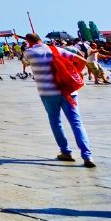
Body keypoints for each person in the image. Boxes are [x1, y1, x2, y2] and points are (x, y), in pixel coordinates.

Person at [22, 33, 94, 167]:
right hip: (68, 91)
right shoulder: (56, 49)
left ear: (28, 42)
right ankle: (87, 156)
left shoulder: (29, 52)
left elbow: (25, 62)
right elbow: (82, 61)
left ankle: (66, 152)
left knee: (55, 122)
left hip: (48, 93)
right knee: (76, 122)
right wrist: (74, 73)